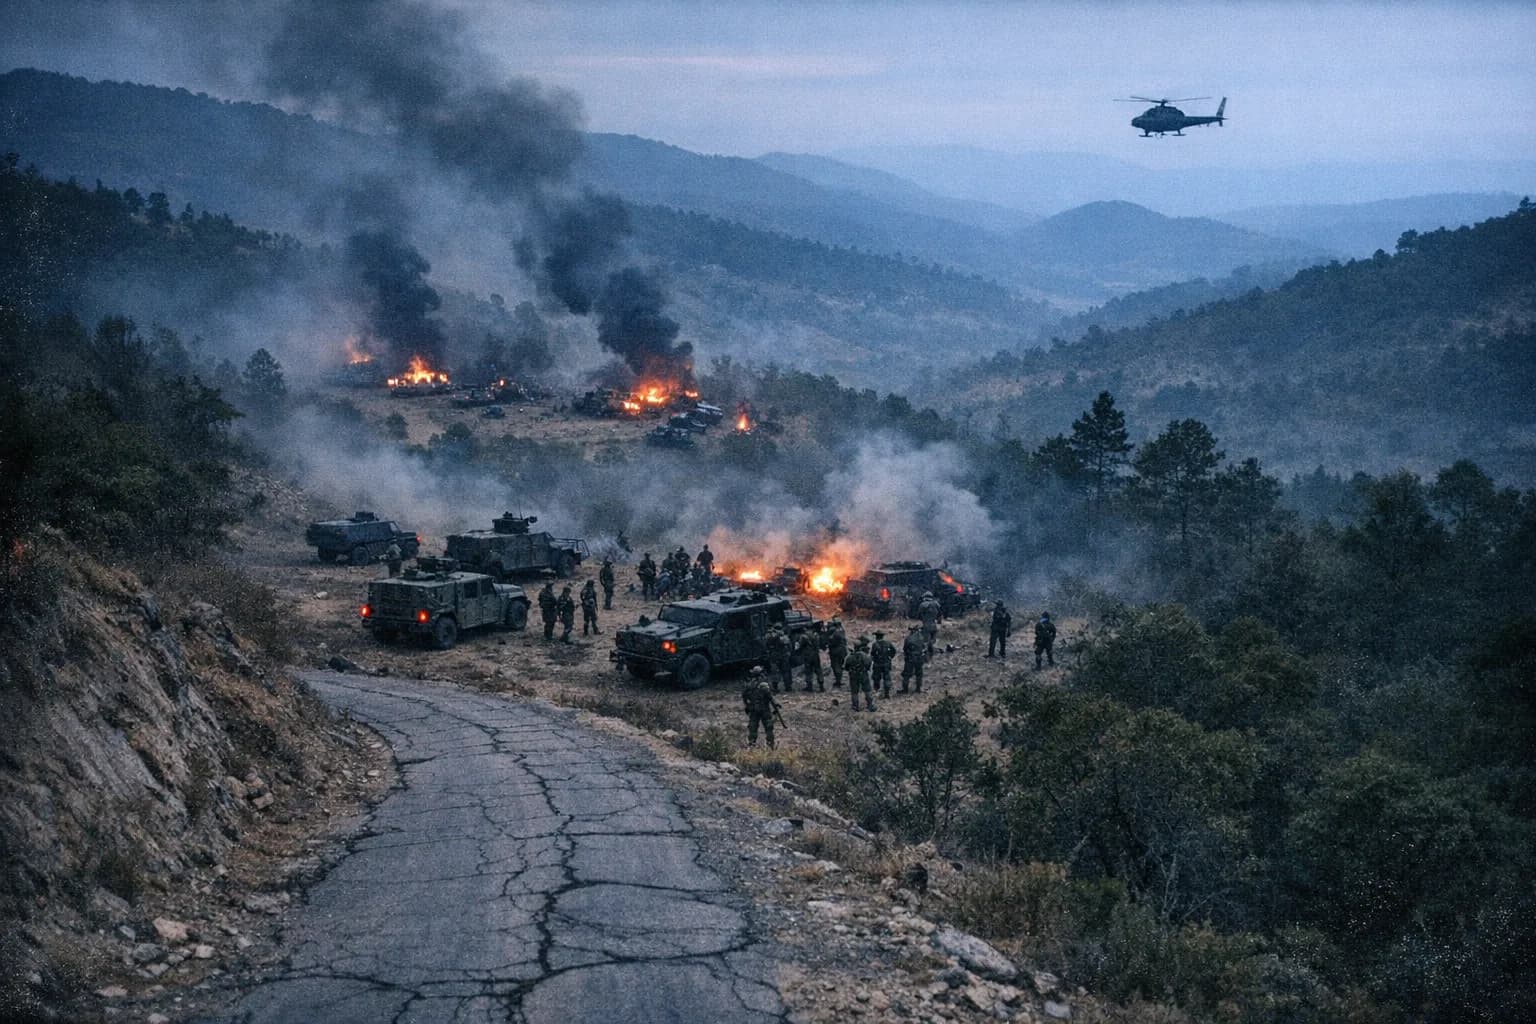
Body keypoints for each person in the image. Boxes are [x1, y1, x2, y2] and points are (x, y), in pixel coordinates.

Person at [742, 674, 779, 749]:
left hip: (754, 710)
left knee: (753, 727)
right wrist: (776, 706)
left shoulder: (749, 685)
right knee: (768, 727)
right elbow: (771, 697)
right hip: (764, 710)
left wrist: (747, 705)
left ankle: (752, 743)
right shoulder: (764, 684)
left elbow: (744, 696)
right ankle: (770, 744)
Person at [844, 636, 875, 712]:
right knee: (867, 690)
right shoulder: (864, 656)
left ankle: (855, 706)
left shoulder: (850, 657)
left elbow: (846, 667)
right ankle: (870, 705)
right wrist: (866, 669)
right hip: (863, 674)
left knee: (854, 691)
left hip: (853, 675)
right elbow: (869, 663)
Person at [763, 625, 792, 694]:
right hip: (784, 655)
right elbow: (789, 646)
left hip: (774, 655)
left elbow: (766, 645)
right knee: (786, 671)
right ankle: (788, 687)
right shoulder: (784, 636)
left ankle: (775, 688)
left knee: (775, 671)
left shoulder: (769, 636)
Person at [870, 630, 897, 700]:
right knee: (887, 678)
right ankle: (887, 694)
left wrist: (874, 659)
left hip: (877, 664)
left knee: (876, 678)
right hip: (886, 663)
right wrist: (890, 657)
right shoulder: (888, 643)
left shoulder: (875, 644)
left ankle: (877, 692)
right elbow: (894, 650)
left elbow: (872, 654)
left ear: (876, 637)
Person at [797, 628, 825, 692]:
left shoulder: (803, 636)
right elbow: (819, 644)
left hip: (807, 656)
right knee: (818, 670)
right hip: (815, 655)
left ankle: (810, 687)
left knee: (808, 671)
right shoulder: (816, 635)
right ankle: (821, 686)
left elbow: (800, 645)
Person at [900, 624, 926, 693]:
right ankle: (918, 689)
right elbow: (924, 647)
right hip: (919, 658)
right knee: (919, 674)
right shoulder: (921, 637)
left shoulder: (908, 638)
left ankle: (905, 690)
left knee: (906, 674)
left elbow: (905, 649)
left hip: (910, 658)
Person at [825, 618, 848, 688]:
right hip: (843, 650)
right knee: (840, 665)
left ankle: (838, 682)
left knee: (835, 665)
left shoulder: (835, 633)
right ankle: (839, 680)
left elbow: (831, 642)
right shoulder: (841, 630)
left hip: (836, 651)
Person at [918, 591, 942, 657]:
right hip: (934, 626)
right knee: (933, 642)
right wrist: (939, 623)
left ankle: (926, 658)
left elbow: (919, 616)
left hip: (926, 626)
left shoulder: (922, 605)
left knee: (925, 643)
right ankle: (933, 656)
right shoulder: (936, 604)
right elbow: (940, 615)